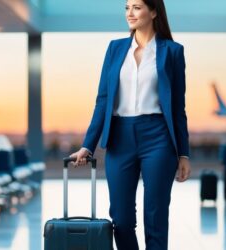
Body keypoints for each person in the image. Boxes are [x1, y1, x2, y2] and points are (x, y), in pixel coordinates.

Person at [69, 0, 190, 249]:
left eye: (137, 7)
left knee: (155, 217)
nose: (130, 13)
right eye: (127, 7)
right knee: (121, 219)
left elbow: (178, 108)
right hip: (120, 138)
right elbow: (103, 101)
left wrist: (184, 153)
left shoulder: (172, 52)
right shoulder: (115, 49)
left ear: (154, 11)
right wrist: (87, 145)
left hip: (158, 137)